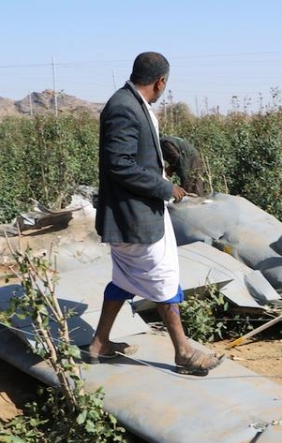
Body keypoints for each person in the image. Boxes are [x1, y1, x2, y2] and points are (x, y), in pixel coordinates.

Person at [90, 51, 223, 376]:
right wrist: (165, 188)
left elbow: (130, 158)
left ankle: (99, 345)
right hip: (134, 217)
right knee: (163, 280)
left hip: (134, 214)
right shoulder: (123, 107)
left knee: (124, 278)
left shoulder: (133, 104)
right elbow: (119, 164)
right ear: (161, 81)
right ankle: (184, 352)